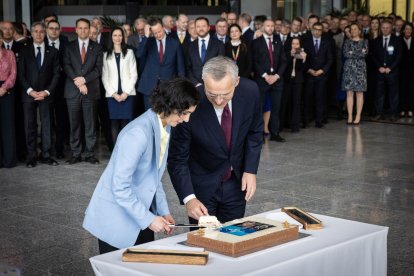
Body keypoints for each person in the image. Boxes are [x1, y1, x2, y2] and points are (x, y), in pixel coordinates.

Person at [83, 78, 200, 254]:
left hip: (141, 213)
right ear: (170, 105)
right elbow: (120, 187)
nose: (187, 119)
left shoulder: (165, 125)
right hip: (117, 219)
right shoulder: (138, 134)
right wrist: (148, 219)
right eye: (184, 113)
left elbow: (154, 176)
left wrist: (163, 211)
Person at [168, 56, 263, 224]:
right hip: (201, 187)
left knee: (234, 238)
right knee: (203, 242)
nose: (219, 101)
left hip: (236, 182)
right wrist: (189, 198)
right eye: (211, 94)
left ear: (237, 82)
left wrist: (250, 170)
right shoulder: (189, 103)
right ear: (203, 81)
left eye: (225, 94)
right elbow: (177, 158)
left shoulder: (251, 91)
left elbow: (254, 132)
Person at [19, 22, 60, 168]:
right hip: (29, 95)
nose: (38, 34)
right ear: (31, 33)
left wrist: (47, 91)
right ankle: (31, 156)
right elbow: (21, 74)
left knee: (47, 125)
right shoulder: (24, 51)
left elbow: (56, 74)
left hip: (46, 95)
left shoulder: (53, 52)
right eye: (35, 31)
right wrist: (30, 90)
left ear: (45, 33)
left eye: (41, 31)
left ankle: (46, 155)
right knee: (30, 126)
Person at [63, 18, 103, 165]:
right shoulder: (68, 47)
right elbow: (66, 66)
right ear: (76, 29)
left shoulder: (97, 47)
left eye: (86, 28)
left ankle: (89, 153)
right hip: (72, 91)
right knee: (74, 123)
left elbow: (98, 69)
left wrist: (84, 80)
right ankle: (76, 153)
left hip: (91, 91)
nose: (83, 30)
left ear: (89, 29)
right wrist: (78, 81)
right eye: (80, 28)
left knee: (90, 123)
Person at [137, 17, 185, 110]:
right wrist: (146, 36)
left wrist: (180, 87)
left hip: (168, 87)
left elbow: (180, 68)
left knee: (167, 115)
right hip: (149, 86)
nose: (158, 34)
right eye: (155, 33)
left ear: (163, 27)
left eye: (159, 31)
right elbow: (139, 54)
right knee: (150, 116)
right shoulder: (148, 42)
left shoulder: (175, 43)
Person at [252, 19, 287, 142]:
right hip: (262, 80)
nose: (271, 28)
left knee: (276, 108)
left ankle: (275, 133)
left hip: (277, 80)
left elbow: (284, 61)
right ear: (262, 27)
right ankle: (259, 134)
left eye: (272, 26)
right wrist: (265, 76)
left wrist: (276, 76)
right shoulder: (256, 42)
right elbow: (255, 62)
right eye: (268, 25)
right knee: (260, 108)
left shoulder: (278, 41)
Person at [102, 27, 138, 145]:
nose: (117, 38)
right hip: (112, 95)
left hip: (128, 93)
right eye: (115, 35)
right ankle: (116, 150)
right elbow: (104, 77)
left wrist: (126, 92)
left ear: (123, 37)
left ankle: (126, 149)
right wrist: (113, 93)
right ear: (111, 37)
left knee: (126, 123)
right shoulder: (106, 54)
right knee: (114, 123)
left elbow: (134, 74)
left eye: (120, 35)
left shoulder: (129, 52)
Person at [46, 19, 70, 159]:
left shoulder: (66, 44)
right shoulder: (41, 43)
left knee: (61, 119)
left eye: (56, 28)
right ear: (47, 30)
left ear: (60, 30)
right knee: (47, 120)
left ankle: (59, 149)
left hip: (62, 88)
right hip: (46, 88)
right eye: (51, 28)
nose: (54, 30)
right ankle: (46, 149)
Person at [302, 22, 333, 128]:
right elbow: (302, 59)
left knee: (320, 98)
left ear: (322, 31)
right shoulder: (305, 42)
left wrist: (322, 70)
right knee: (307, 98)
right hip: (309, 74)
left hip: (321, 75)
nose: (317, 31)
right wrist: (309, 69)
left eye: (320, 29)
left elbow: (330, 60)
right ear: (312, 29)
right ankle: (306, 120)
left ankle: (319, 121)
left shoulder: (327, 42)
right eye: (315, 29)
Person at [371, 20, 402, 121]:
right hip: (380, 71)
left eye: (387, 27)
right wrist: (379, 67)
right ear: (381, 28)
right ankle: (379, 113)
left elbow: (399, 56)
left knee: (394, 94)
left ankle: (394, 114)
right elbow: (373, 56)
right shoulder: (376, 40)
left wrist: (390, 68)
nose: (385, 29)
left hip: (392, 71)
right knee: (379, 93)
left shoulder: (397, 40)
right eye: (383, 27)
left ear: (391, 28)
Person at [185, 17, 224, 86]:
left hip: (214, 84)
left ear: (209, 27)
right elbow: (188, 67)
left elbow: (221, 65)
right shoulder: (190, 46)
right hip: (195, 86)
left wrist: (212, 82)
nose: (201, 29)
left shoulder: (219, 44)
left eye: (203, 26)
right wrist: (196, 83)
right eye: (198, 26)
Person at [342, 24, 368, 125]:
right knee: (349, 93)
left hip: (360, 70)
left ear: (359, 31)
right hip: (348, 69)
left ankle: (358, 115)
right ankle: (349, 115)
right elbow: (346, 54)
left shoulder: (365, 42)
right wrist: (358, 52)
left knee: (359, 93)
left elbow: (364, 54)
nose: (353, 31)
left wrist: (353, 52)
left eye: (355, 29)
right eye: (351, 29)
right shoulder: (347, 42)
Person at [0, 29, 17, 168]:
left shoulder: (9, 53)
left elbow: (13, 73)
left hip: (7, 91)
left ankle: (9, 160)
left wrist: (4, 87)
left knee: (8, 126)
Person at [285, 37, 307, 132]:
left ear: (300, 45)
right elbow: (284, 65)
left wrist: (304, 59)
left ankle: (295, 126)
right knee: (287, 101)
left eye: (297, 44)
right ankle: (286, 123)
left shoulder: (302, 54)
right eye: (293, 44)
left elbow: (303, 69)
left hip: (298, 80)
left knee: (296, 103)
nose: (295, 46)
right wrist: (290, 55)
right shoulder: (286, 53)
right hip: (287, 80)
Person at [399, 22, 414, 118]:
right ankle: (402, 109)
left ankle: (410, 109)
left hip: (413, 69)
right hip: (401, 69)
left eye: (410, 29)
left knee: (412, 89)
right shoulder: (399, 40)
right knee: (402, 89)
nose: (408, 31)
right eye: (406, 29)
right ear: (403, 30)